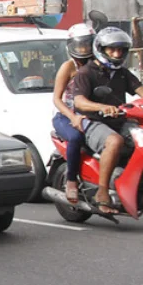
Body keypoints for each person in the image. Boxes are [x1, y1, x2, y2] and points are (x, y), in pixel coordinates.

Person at [72, 27, 143, 214]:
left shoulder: (122, 73)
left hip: (120, 121)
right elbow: (79, 101)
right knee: (114, 141)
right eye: (112, 49)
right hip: (93, 122)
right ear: (101, 49)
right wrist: (102, 107)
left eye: (121, 50)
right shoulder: (86, 73)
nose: (117, 54)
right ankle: (102, 192)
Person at [51, 24, 95, 204]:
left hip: (92, 115)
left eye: (87, 44)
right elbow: (57, 99)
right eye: (80, 45)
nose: (83, 49)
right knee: (76, 138)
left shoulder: (99, 65)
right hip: (66, 117)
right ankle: (71, 181)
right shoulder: (68, 67)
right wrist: (73, 117)